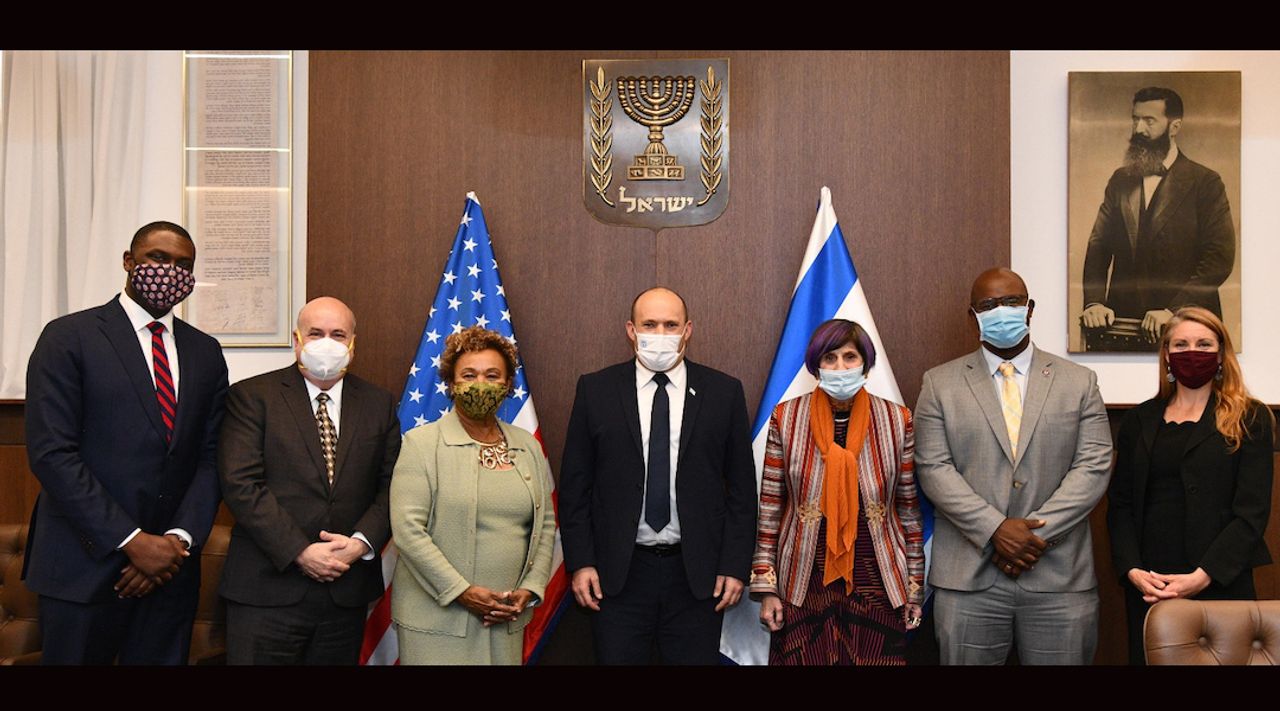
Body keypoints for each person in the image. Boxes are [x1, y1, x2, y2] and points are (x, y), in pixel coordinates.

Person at [23, 221, 228, 664]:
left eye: (184, 265)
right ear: (129, 261)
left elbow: (211, 458)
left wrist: (175, 542)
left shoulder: (205, 352)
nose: (170, 271)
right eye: (158, 258)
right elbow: (52, 453)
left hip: (170, 573)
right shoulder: (68, 337)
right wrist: (132, 541)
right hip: (81, 567)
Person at [914, 267, 1113, 665]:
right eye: (988, 305)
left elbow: (1094, 465)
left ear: (1029, 308)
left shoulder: (1079, 381)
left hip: (1059, 577)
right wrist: (996, 530)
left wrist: (1033, 536)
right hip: (968, 579)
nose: (1001, 311)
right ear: (973, 316)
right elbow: (933, 467)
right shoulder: (939, 384)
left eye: (1011, 301)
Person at [559, 287, 757, 664]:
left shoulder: (723, 392)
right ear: (631, 330)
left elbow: (742, 492)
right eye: (649, 324)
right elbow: (575, 488)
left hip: (697, 578)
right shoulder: (596, 390)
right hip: (617, 577)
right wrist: (581, 561)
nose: (660, 334)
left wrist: (734, 566)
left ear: (688, 330)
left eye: (671, 325)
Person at [217, 296, 400, 665]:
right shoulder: (252, 396)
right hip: (266, 590)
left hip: (345, 592)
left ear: (353, 343)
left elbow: (392, 486)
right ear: (297, 340)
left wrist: (359, 544)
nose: (326, 343)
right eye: (316, 333)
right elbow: (241, 484)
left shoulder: (379, 404)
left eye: (338, 334)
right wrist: (300, 551)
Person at [750, 319, 924, 665]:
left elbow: (908, 510)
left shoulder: (897, 420)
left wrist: (913, 587)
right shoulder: (787, 417)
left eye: (850, 357)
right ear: (816, 365)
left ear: (866, 363)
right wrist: (766, 587)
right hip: (803, 580)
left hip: (877, 580)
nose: (840, 367)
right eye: (829, 358)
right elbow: (770, 508)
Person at [1107, 306, 1274, 665]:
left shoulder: (1250, 417)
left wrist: (1202, 576)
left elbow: (1252, 512)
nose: (1192, 352)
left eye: (1204, 344)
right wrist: (1133, 570)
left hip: (1221, 580)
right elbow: (1120, 505)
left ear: (1221, 354)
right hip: (1150, 585)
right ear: (1167, 354)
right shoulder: (1139, 419)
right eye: (1180, 344)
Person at [389, 326, 556, 665]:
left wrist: (530, 588)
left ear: (508, 385)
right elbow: (408, 531)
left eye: (492, 375)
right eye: (469, 375)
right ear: (451, 383)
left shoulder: (526, 446)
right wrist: (463, 592)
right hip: (437, 622)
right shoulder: (422, 445)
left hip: (505, 618)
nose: (480, 383)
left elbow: (546, 525)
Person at [1081, 86, 1235, 345]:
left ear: (1174, 127)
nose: (1139, 129)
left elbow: (1219, 259)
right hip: (1123, 326)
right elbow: (1099, 245)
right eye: (1135, 119)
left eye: (1149, 120)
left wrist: (1173, 311)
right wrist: (1094, 303)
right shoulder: (1120, 180)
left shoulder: (1206, 182)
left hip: (1187, 328)